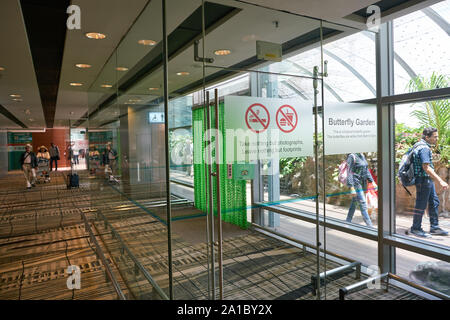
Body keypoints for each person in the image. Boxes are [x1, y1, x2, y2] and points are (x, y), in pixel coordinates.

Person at [410, 127, 449, 237]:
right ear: (427, 137)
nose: (437, 138)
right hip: (423, 179)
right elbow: (426, 167)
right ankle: (416, 228)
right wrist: (441, 181)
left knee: (434, 201)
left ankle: (434, 227)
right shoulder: (424, 149)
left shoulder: (419, 145)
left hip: (426, 180)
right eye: (435, 137)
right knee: (421, 204)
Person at [346, 152, 375, 227]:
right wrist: (352, 187)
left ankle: (348, 221)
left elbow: (366, 169)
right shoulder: (352, 156)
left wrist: (372, 181)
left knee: (354, 202)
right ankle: (370, 226)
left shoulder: (361, 155)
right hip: (356, 183)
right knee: (363, 203)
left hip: (362, 183)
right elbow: (349, 172)